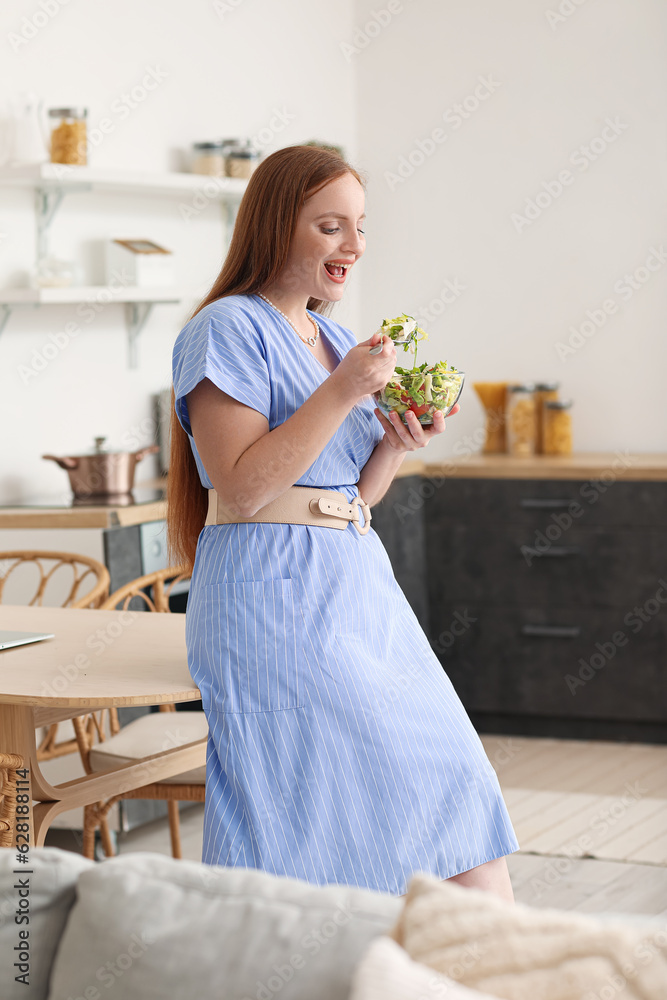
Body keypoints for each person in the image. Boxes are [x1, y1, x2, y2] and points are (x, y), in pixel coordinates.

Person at [168, 145, 518, 901]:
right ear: (275, 225)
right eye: (331, 226)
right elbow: (241, 489)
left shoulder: (330, 337)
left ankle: (481, 970)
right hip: (273, 602)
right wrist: (342, 391)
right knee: (308, 807)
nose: (353, 247)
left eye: (359, 227)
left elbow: (343, 497)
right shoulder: (226, 328)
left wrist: (393, 442)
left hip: (354, 583)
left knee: (452, 776)